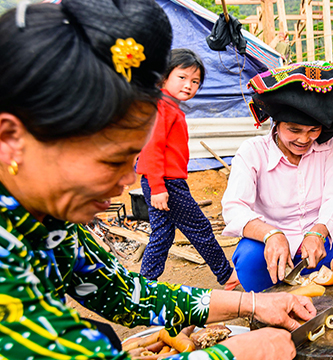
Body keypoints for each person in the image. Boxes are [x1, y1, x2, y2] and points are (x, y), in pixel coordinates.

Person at [0, 1, 314, 359]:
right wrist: (233, 354)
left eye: (132, 158)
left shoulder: (51, 218)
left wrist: (253, 304)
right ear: (11, 139)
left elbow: (127, 294)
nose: (126, 180)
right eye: (111, 160)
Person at [221, 62, 333, 293]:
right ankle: (274, 302)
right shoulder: (252, 151)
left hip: (317, 252)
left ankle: (322, 288)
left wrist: (318, 232)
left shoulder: (329, 145)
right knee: (247, 258)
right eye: (294, 130)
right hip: (273, 254)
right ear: (276, 124)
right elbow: (234, 209)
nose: (304, 140)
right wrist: (272, 234)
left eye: (313, 130)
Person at [136, 48, 239, 290]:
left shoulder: (168, 107)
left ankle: (143, 285)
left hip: (164, 181)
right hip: (166, 183)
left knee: (162, 236)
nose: (189, 85)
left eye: (195, 81)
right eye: (182, 77)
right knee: (199, 227)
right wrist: (158, 187)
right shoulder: (160, 107)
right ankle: (226, 274)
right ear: (164, 76)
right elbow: (151, 148)